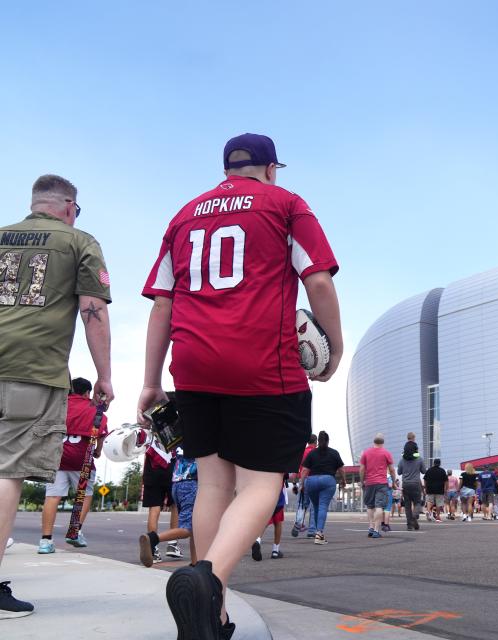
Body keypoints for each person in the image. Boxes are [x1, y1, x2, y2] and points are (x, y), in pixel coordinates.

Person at [139, 133, 343, 639]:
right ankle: (208, 579)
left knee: (213, 484)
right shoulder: (286, 205)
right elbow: (317, 280)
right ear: (271, 169)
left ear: (227, 169)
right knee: (261, 483)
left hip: (193, 367)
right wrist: (334, 348)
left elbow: (161, 302)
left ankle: (215, 613)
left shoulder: (184, 214)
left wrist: (149, 380)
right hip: (262, 362)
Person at [0, 174, 113, 619]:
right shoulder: (79, 241)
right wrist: (104, 375)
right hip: (33, 371)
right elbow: (93, 311)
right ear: (69, 205)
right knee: (7, 473)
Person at [38, 378, 110, 553]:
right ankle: (74, 531)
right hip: (82, 458)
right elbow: (101, 435)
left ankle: (45, 541)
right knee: (84, 494)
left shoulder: (59, 406)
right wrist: (98, 452)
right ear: (87, 393)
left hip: (58, 457)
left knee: (52, 496)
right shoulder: (95, 409)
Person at [139, 450, 198, 567]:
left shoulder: (176, 435)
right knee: (188, 529)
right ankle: (153, 539)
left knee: (195, 527)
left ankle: (195, 564)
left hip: (177, 482)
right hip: (190, 482)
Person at [141, 429, 179, 564]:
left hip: (152, 465)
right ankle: (173, 544)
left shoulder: (146, 416)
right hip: (172, 464)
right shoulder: (174, 415)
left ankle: (153, 548)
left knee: (154, 507)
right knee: (175, 505)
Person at [300, 431, 344, 544]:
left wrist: (301, 484)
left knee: (316, 507)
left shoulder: (312, 453)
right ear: (328, 441)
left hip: (312, 481)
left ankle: (317, 533)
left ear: (318, 442)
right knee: (323, 506)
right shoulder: (334, 453)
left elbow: (304, 470)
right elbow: (341, 469)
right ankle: (319, 534)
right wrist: (343, 480)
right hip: (328, 481)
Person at [359, 434, 397, 538]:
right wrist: (393, 482)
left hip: (369, 483)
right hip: (381, 483)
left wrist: (362, 481)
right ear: (383, 443)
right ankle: (376, 530)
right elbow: (392, 470)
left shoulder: (366, 453)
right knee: (379, 506)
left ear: (374, 442)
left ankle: (370, 527)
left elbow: (362, 469)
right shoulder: (386, 453)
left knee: (370, 506)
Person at [396, 437, 427, 531]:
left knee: (407, 505)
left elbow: (399, 472)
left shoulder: (402, 460)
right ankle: (414, 516)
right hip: (416, 484)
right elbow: (424, 471)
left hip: (405, 484)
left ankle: (410, 525)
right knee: (417, 502)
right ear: (415, 450)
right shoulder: (419, 459)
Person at [292, 433, 319, 537]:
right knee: (313, 505)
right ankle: (312, 530)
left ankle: (299, 523)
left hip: (302, 480)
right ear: (316, 442)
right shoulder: (316, 452)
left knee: (301, 505)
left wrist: (295, 484)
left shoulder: (301, 452)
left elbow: (296, 469)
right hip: (313, 479)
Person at [252, 482, 288, 560]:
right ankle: (275, 550)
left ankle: (257, 540)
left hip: (265, 492)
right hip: (277, 493)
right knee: (278, 522)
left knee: (265, 521)